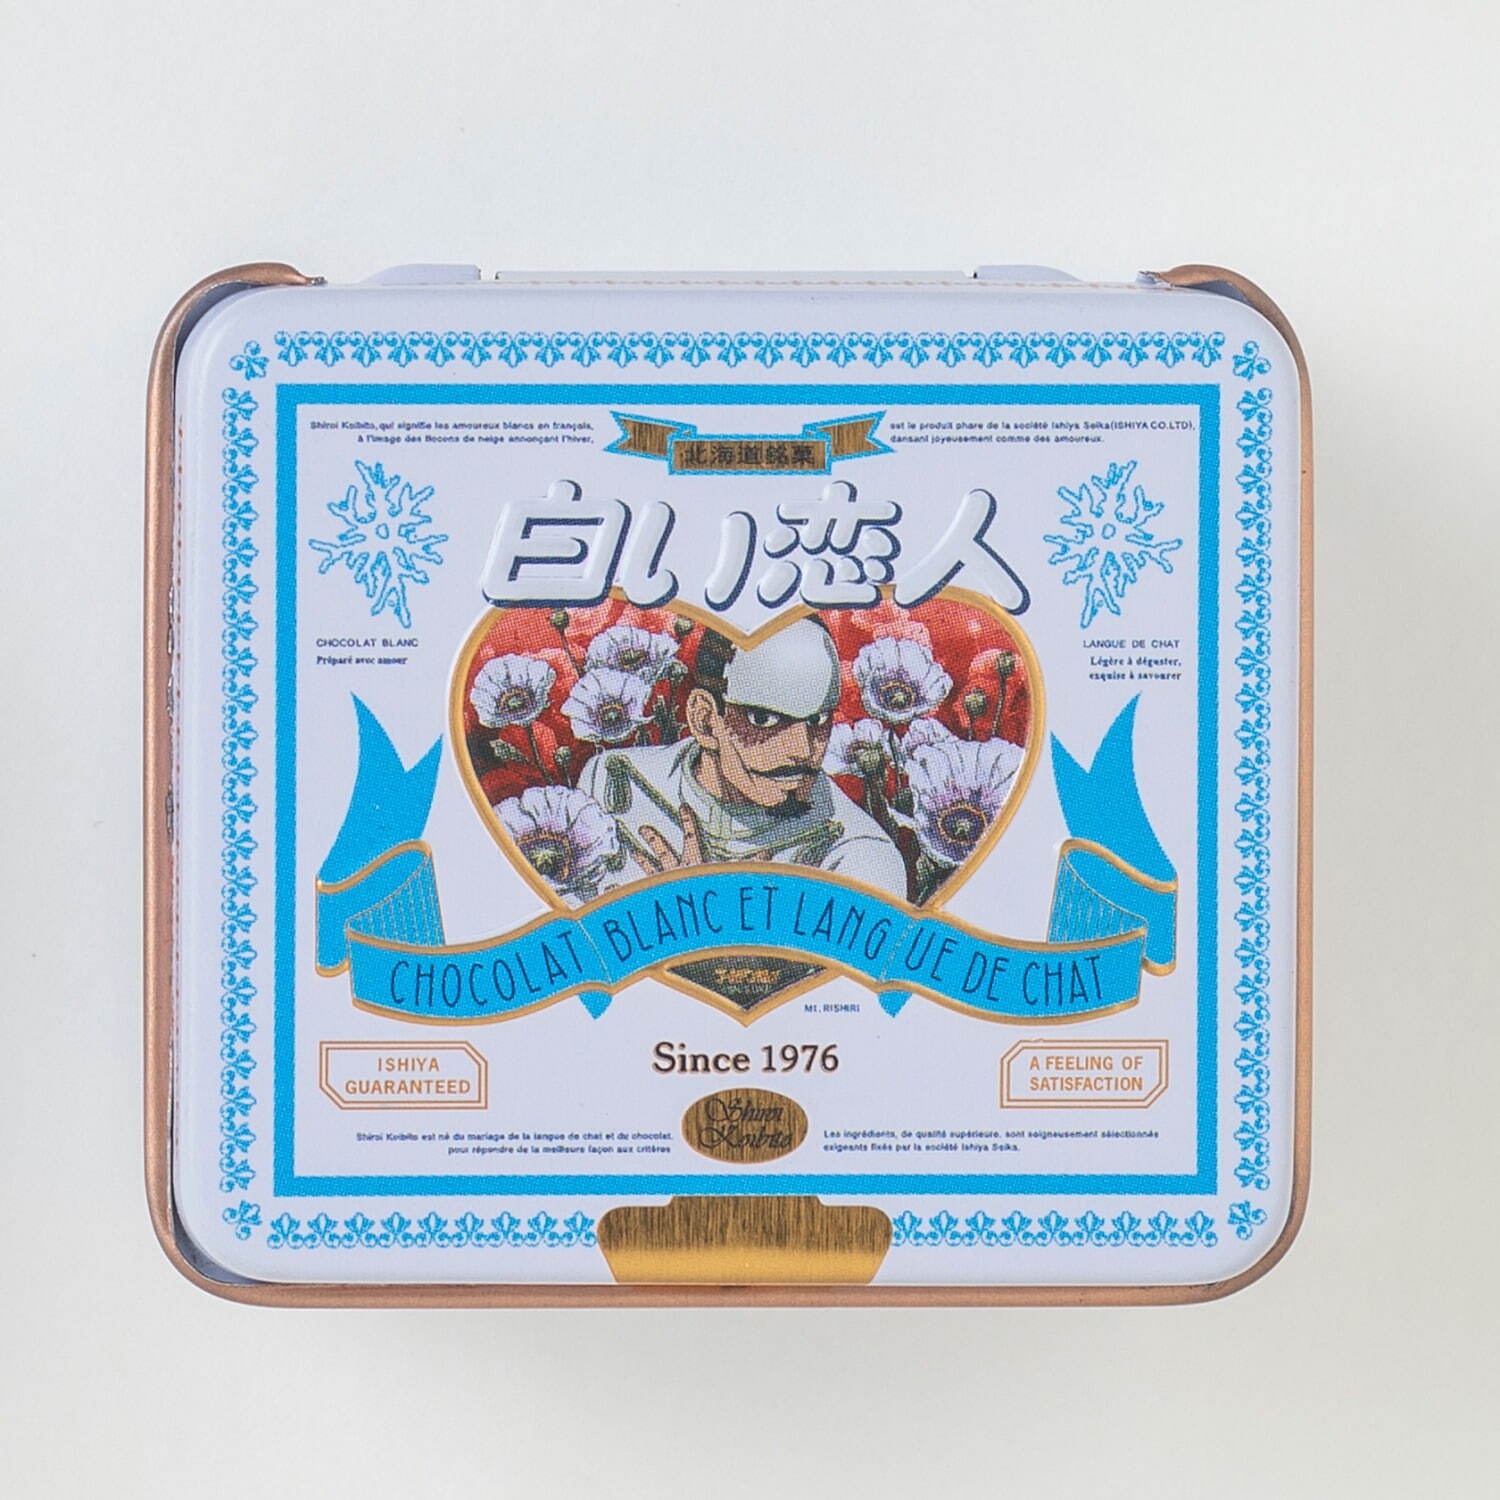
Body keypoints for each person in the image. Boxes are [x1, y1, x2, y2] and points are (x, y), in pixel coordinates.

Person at [578, 617, 907, 898]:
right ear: (706, 720)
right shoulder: (611, 779)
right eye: (763, 720)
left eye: (818, 721)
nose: (803, 750)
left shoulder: (863, 856)